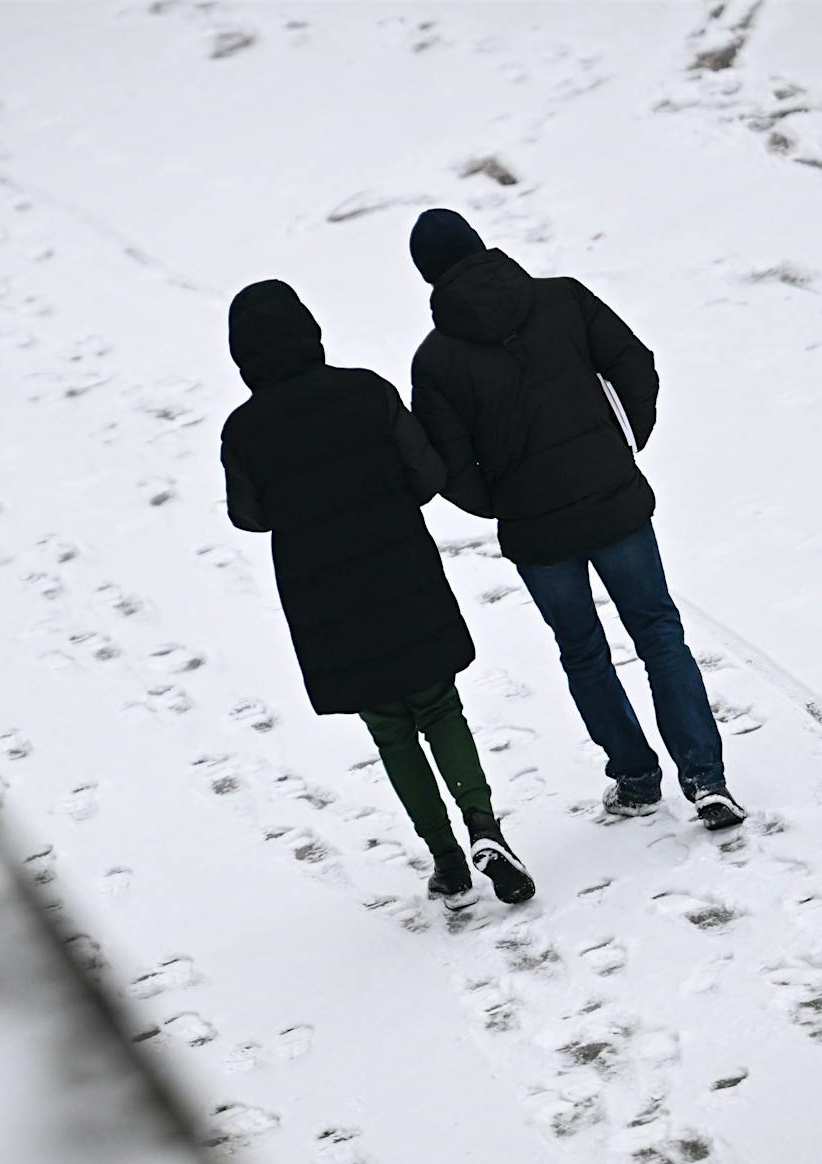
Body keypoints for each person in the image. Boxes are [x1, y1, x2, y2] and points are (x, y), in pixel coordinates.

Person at [405, 209, 747, 831]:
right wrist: (621, 447)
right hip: (612, 500)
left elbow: (448, 465)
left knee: (584, 652)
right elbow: (635, 363)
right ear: (481, 246)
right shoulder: (561, 299)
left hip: (539, 532)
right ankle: (706, 781)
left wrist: (505, 499)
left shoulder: (436, 360)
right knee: (659, 634)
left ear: (426, 275)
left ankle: (638, 780)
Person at [220, 279, 535, 907]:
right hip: (401, 570)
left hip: (325, 597)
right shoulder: (367, 392)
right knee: (440, 706)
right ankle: (483, 828)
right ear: (310, 332)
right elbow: (426, 475)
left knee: (389, 727)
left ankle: (447, 862)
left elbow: (249, 516)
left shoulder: (244, 430)